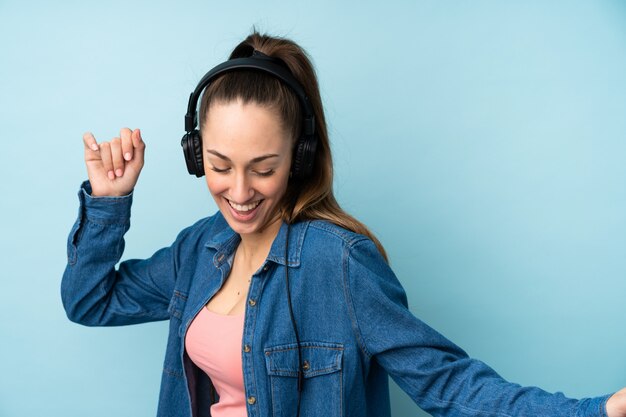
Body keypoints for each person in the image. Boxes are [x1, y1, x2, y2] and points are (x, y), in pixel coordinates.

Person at [62, 30, 626, 417]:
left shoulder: (340, 262)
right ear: (195, 156)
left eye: (264, 169)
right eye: (218, 166)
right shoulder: (198, 249)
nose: (238, 192)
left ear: (300, 157)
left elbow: (447, 382)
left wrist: (594, 410)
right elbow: (89, 301)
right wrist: (110, 203)